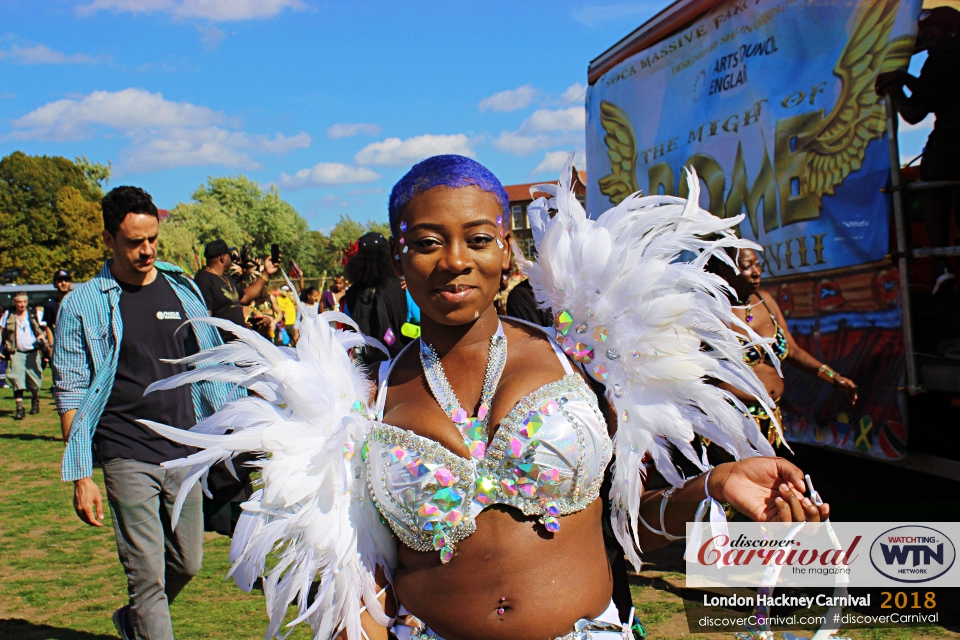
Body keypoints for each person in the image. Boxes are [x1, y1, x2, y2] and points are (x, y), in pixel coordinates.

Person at [144, 155, 829, 640]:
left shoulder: (581, 363)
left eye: (477, 239)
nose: (453, 261)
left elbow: (626, 527)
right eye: (427, 242)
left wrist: (715, 485)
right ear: (400, 257)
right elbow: (359, 579)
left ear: (507, 249)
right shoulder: (362, 404)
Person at [53, 186, 235, 640]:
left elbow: (209, 364)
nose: (147, 250)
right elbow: (71, 389)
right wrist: (82, 474)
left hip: (184, 449)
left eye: (152, 238)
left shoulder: (181, 287)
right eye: (135, 241)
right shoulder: (84, 303)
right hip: (125, 449)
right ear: (109, 239)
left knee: (189, 561)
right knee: (147, 576)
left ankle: (134, 621)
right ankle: (147, 617)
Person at [708, 247, 858, 447]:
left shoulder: (767, 302)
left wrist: (833, 377)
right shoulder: (711, 310)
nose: (756, 272)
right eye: (746, 266)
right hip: (730, 421)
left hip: (771, 418)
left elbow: (793, 351)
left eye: (757, 264)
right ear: (726, 271)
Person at [875, 6, 960, 294]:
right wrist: (909, 81)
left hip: (950, 145)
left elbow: (914, 112)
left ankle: (940, 264)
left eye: (931, 37)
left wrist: (892, 88)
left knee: (930, 183)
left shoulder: (943, 53)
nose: (929, 43)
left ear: (949, 30)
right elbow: (938, 92)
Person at [192, 239, 279, 340]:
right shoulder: (203, 279)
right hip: (222, 348)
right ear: (223, 257)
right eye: (229, 255)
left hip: (238, 345)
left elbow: (245, 297)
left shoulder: (226, 278)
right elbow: (205, 319)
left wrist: (266, 273)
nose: (231, 259)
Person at [343, 232, 409, 361]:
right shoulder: (404, 288)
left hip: (368, 368)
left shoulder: (351, 295)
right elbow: (419, 320)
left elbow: (349, 327)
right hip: (402, 362)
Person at [2, 291, 47, 419]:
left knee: (35, 380)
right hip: (16, 353)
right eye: (19, 302)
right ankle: (20, 408)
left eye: (24, 302)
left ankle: (35, 400)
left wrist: (42, 336)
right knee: (17, 378)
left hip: (33, 352)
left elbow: (46, 329)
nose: (22, 305)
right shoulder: (8, 315)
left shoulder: (34, 314)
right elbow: (1, 331)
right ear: (14, 302)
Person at [44, 269, 73, 335]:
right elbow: (49, 326)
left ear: (70, 284)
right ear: (54, 284)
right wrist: (51, 345)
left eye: (66, 280)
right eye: (60, 281)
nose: (63, 283)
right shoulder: (50, 305)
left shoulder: (79, 302)